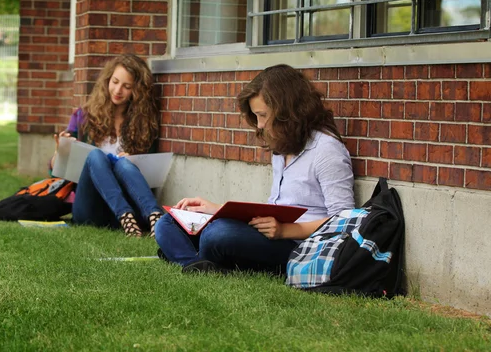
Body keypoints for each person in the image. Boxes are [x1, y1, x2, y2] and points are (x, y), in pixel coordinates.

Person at [154, 64, 355, 274]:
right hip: (268, 233)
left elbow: (345, 220)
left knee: (217, 234)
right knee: (169, 222)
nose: (259, 125)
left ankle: (185, 255)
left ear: (288, 112)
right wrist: (215, 209)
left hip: (297, 244)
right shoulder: (282, 145)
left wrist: (286, 230)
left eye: (263, 115)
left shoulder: (327, 150)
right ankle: (193, 263)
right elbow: (276, 206)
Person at [50, 54, 163, 237]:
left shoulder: (144, 123)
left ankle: (155, 217)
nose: (118, 90)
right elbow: (54, 170)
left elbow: (151, 171)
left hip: (131, 204)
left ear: (137, 91)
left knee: (124, 164)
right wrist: (60, 151)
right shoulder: (84, 116)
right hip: (90, 208)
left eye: (127, 87)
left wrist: (133, 161)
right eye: (115, 82)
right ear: (107, 80)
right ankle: (125, 216)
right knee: (95, 155)